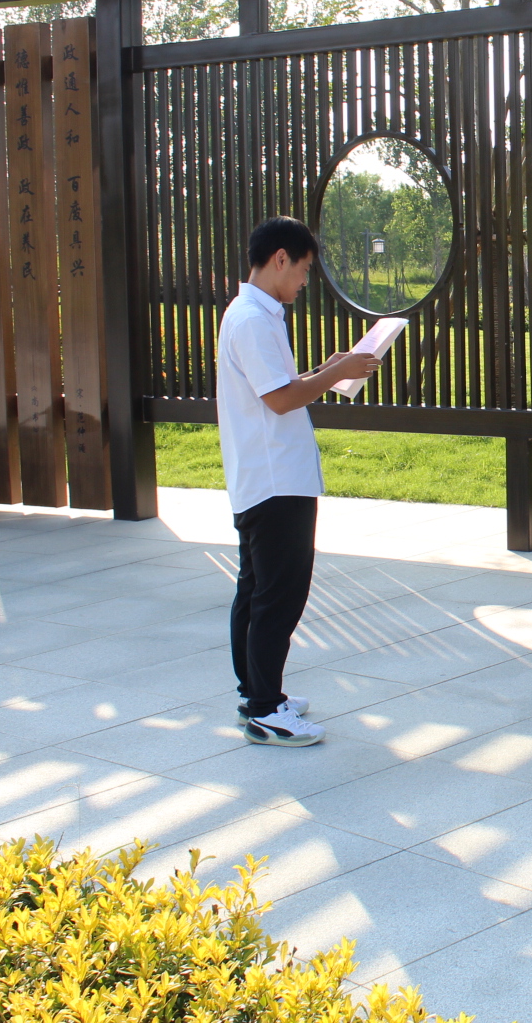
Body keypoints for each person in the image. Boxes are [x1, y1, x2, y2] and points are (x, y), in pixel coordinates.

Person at [217, 217, 379, 747]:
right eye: (305, 269)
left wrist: (328, 368)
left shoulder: (251, 313)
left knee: (256, 591)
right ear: (280, 258)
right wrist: (336, 373)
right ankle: (266, 710)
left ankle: (257, 693)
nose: (306, 281)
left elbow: (280, 386)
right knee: (278, 596)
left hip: (263, 476)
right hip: (275, 481)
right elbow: (280, 399)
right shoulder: (254, 320)